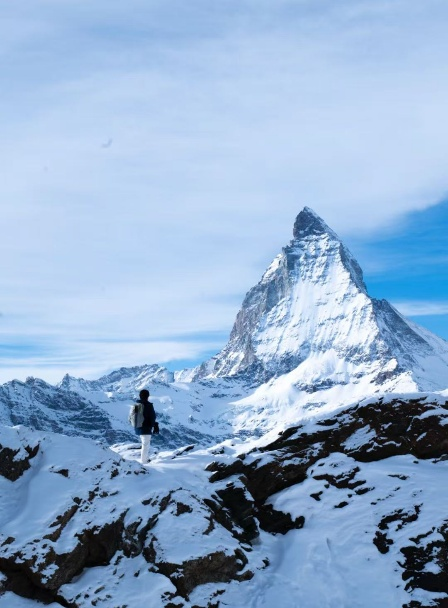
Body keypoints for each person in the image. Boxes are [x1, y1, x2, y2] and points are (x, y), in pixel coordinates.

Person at [134, 389, 156, 464]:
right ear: (148, 396)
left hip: (138, 427)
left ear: (140, 396)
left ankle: (145, 458)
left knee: (144, 443)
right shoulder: (148, 405)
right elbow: (152, 417)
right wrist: (153, 425)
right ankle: (144, 461)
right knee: (145, 445)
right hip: (146, 428)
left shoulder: (136, 405)